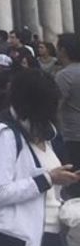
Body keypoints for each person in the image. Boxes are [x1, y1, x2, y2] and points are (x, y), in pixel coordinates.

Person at [0, 66, 80, 246]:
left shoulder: (47, 132)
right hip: (19, 241)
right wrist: (48, 179)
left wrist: (65, 181)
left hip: (53, 235)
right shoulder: (4, 134)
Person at [55, 33, 80, 195]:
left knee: (74, 176)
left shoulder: (64, 76)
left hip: (73, 133)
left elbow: (55, 105)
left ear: (63, 50)